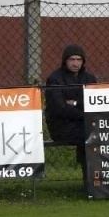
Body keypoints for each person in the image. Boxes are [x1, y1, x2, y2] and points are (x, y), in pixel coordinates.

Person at [44, 44, 97, 179]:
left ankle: (97, 179)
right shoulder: (54, 79)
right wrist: (83, 111)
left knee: (100, 134)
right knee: (89, 135)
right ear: (65, 61)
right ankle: (90, 181)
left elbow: (94, 103)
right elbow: (60, 109)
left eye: (79, 60)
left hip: (84, 123)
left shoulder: (90, 79)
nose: (75, 63)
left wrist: (74, 103)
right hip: (61, 126)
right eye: (72, 59)